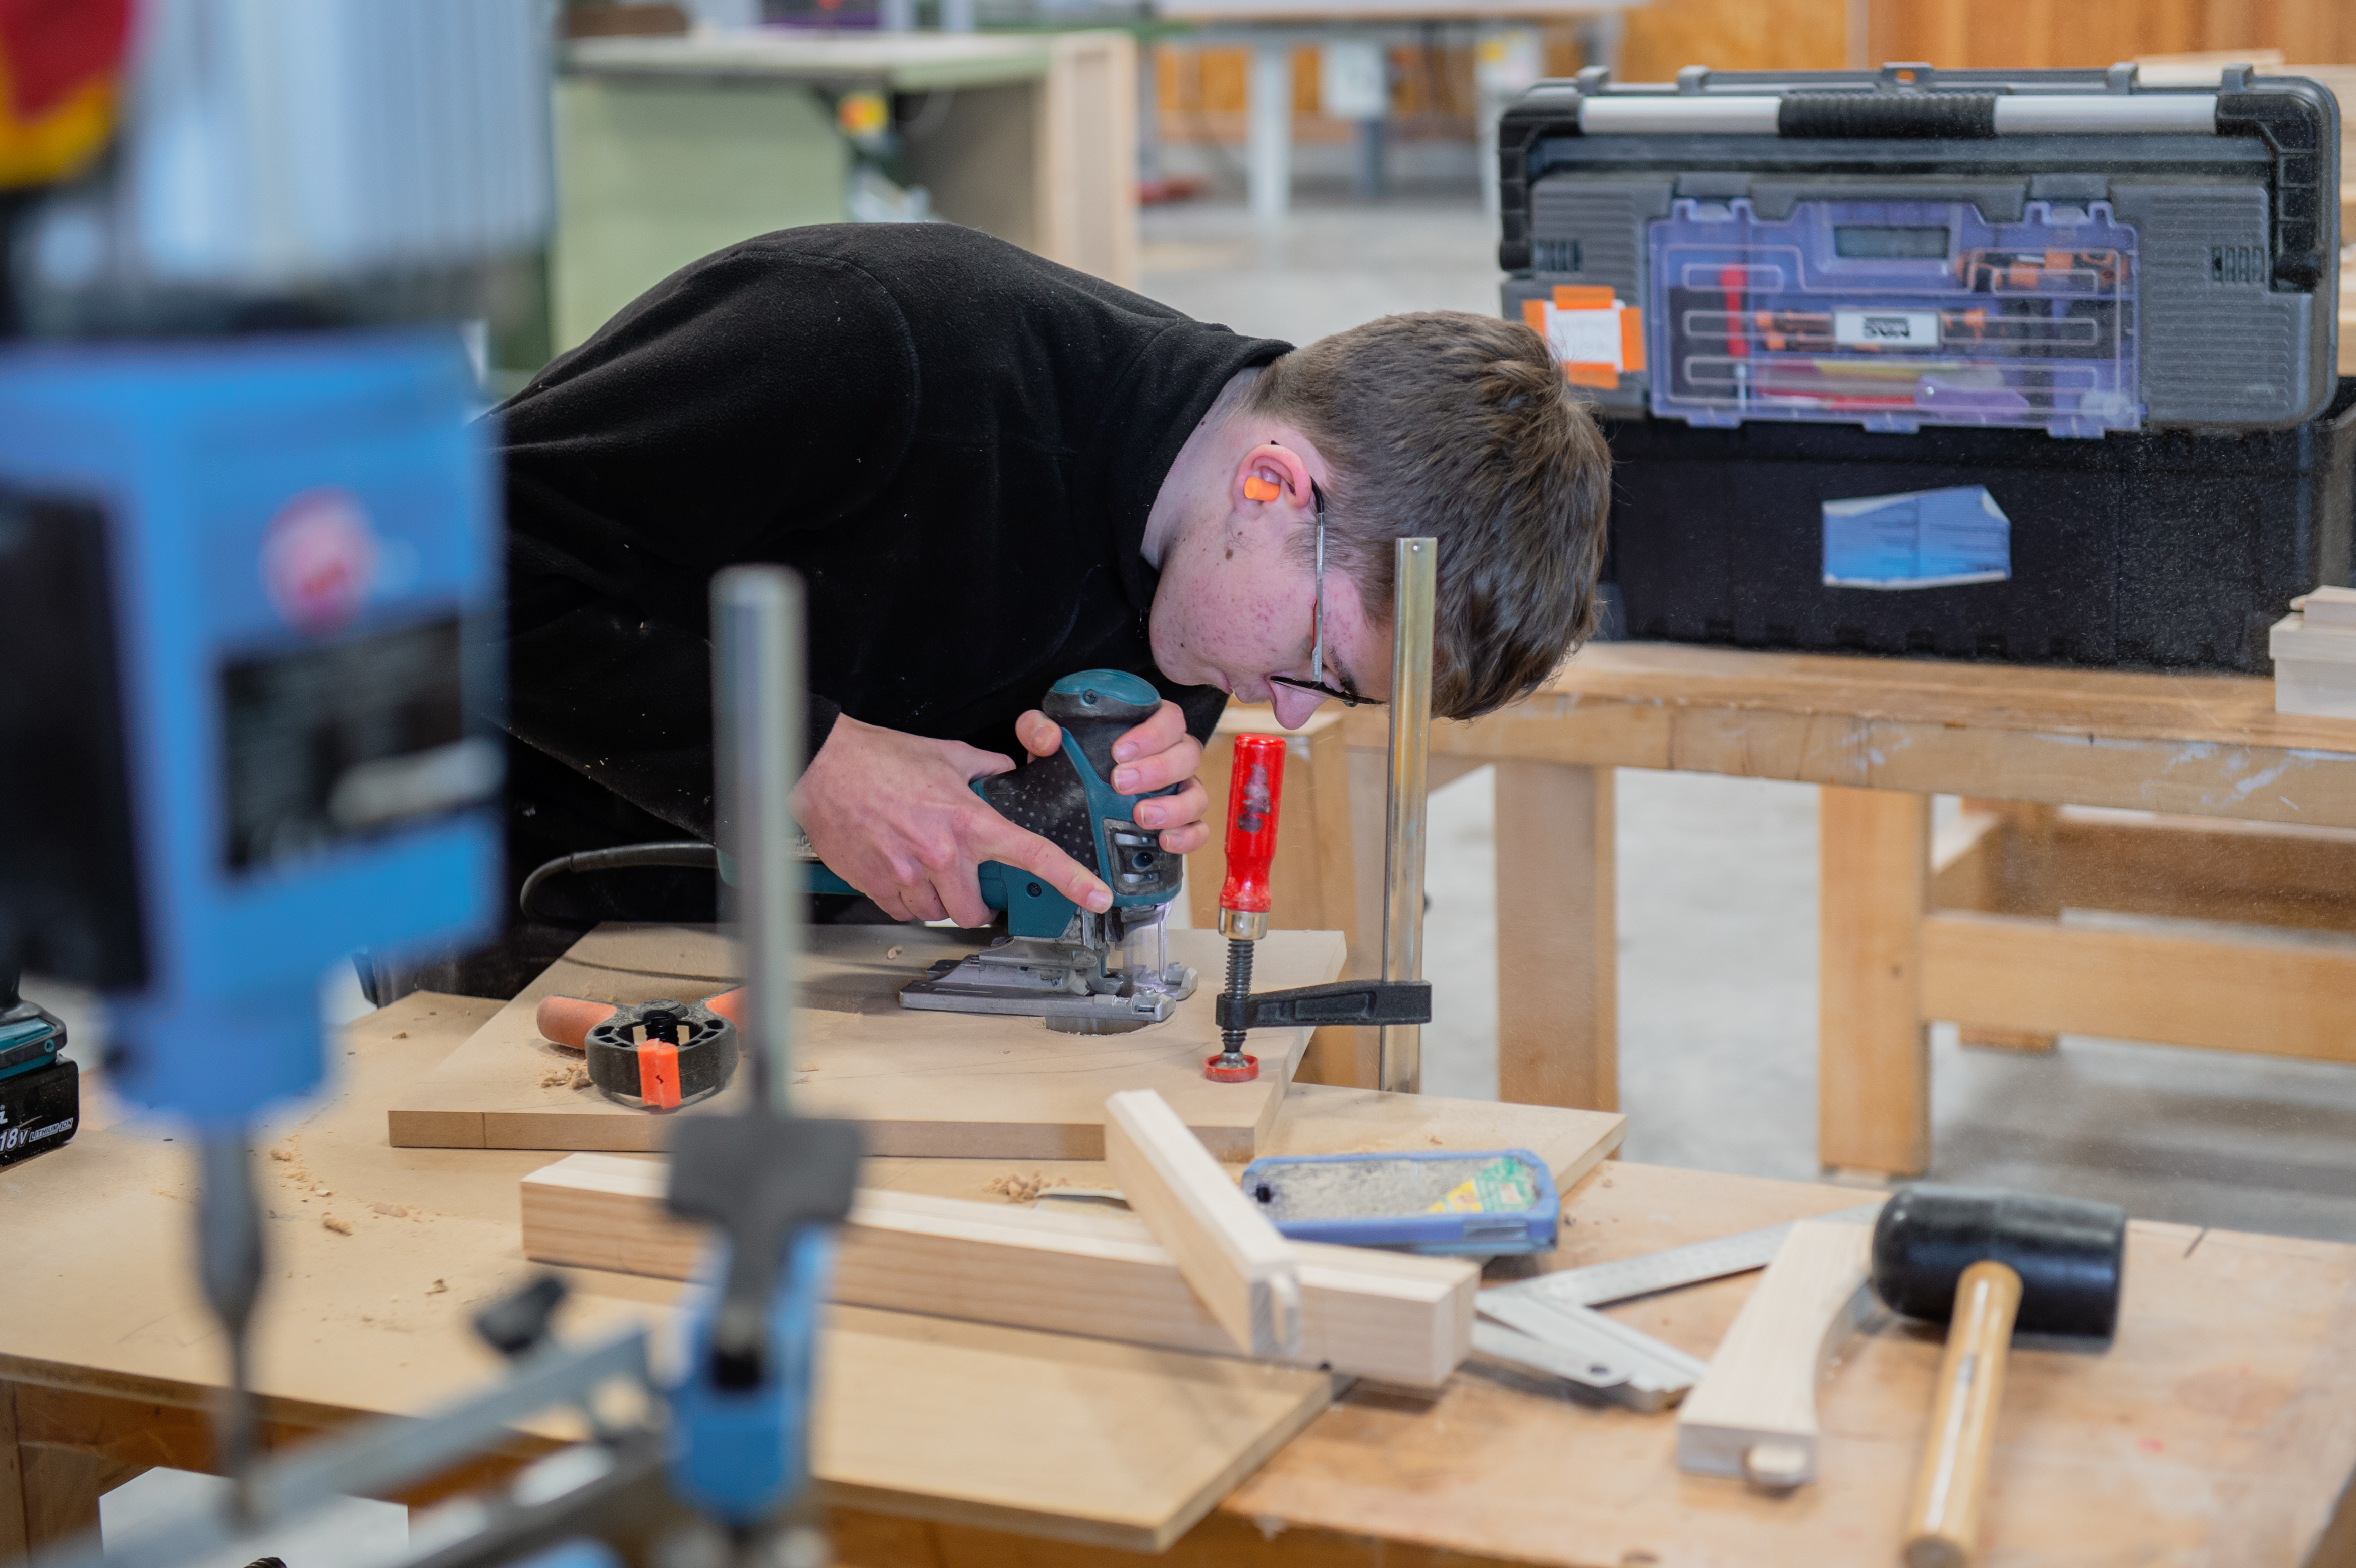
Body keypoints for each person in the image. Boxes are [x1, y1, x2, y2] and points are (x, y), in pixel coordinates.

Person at [397, 222, 1609, 999]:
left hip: (801, 975)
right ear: (1271, 484)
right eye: (1315, 663)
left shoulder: (1206, 548)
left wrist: (1074, 815)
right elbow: (419, 559)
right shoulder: (879, 339)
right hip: (518, 906)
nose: (1287, 717)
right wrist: (808, 760)